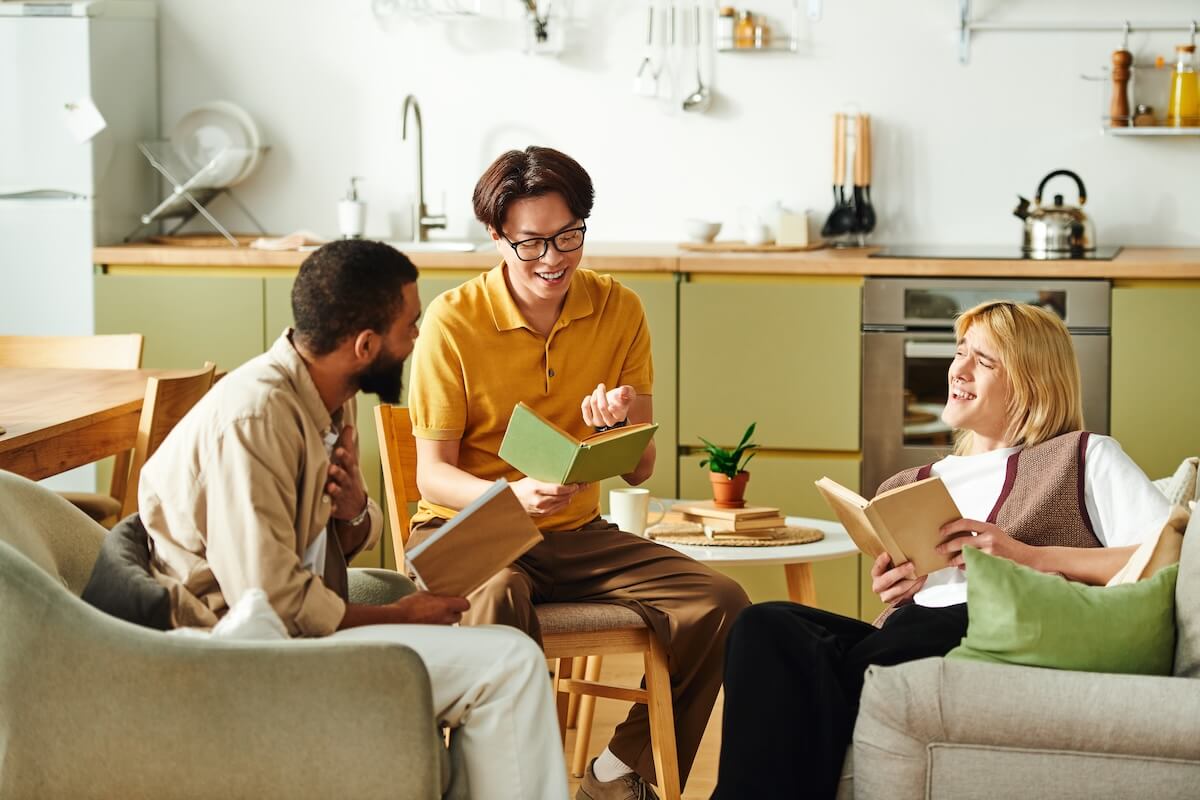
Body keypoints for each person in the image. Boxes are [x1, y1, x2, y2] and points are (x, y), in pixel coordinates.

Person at [138, 239, 569, 800]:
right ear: (365, 345)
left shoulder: (331, 394)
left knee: (504, 662)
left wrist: (351, 515)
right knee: (509, 665)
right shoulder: (255, 421)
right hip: (238, 652)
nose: (417, 340)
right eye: (409, 328)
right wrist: (399, 615)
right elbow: (267, 603)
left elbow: (337, 538)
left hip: (290, 628)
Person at [711, 300, 1174, 800]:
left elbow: (1171, 555)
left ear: (1032, 382)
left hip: (995, 631)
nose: (959, 369)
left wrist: (1026, 557)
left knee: (814, 685)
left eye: (985, 360)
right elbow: (911, 605)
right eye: (960, 352)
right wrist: (896, 588)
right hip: (908, 633)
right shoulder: (912, 484)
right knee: (765, 626)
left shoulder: (1083, 455)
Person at [406, 146, 750, 800]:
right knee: (500, 595)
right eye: (532, 242)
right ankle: (491, 784)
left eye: (569, 236)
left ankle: (616, 774)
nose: (554, 259)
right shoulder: (453, 322)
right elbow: (432, 476)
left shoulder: (619, 310)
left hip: (577, 535)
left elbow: (641, 466)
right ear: (495, 237)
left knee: (723, 604)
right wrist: (512, 497)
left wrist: (614, 428)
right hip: (468, 532)